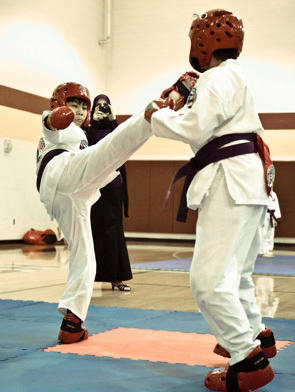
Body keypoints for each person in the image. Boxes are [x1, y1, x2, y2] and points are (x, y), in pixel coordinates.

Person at [145, 9, 275, 392]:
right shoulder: (238, 77)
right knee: (235, 274)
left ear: (200, 44)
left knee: (207, 280)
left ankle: (247, 358)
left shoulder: (215, 79)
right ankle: (256, 335)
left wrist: (156, 115)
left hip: (229, 181)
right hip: (250, 182)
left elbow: (194, 126)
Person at [36, 82, 158, 343]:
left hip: (71, 195)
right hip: (61, 172)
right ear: (59, 104)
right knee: (112, 150)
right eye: (73, 105)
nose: (78, 112)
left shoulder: (81, 133)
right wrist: (57, 117)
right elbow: (50, 124)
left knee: (85, 255)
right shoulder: (58, 125)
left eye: (83, 107)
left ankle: (73, 321)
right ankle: (151, 114)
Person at [86, 94, 132, 291]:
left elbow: (123, 144)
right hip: (93, 187)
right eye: (99, 106)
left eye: (106, 106)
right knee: (92, 232)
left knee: (114, 233)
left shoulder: (115, 129)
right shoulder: (86, 131)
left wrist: (114, 121)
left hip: (113, 188)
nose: (102, 109)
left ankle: (116, 278)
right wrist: (91, 124)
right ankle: (88, 279)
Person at [259, 191, 281, 257]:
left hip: (272, 215)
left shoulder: (274, 194)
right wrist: (261, 219)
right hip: (264, 214)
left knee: (270, 233)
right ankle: (262, 250)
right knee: (263, 232)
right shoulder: (262, 193)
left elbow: (276, 206)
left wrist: (276, 218)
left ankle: (269, 249)